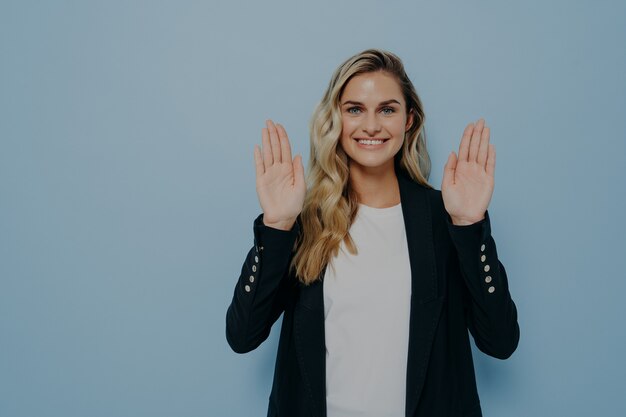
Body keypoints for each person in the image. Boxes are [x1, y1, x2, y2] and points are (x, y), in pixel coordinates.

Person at [225, 49, 520, 417]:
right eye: (354, 109)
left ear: (409, 120)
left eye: (387, 109)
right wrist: (277, 225)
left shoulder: (442, 218)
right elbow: (242, 335)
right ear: (336, 119)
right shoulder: (306, 219)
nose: (371, 126)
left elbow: (500, 341)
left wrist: (469, 225)